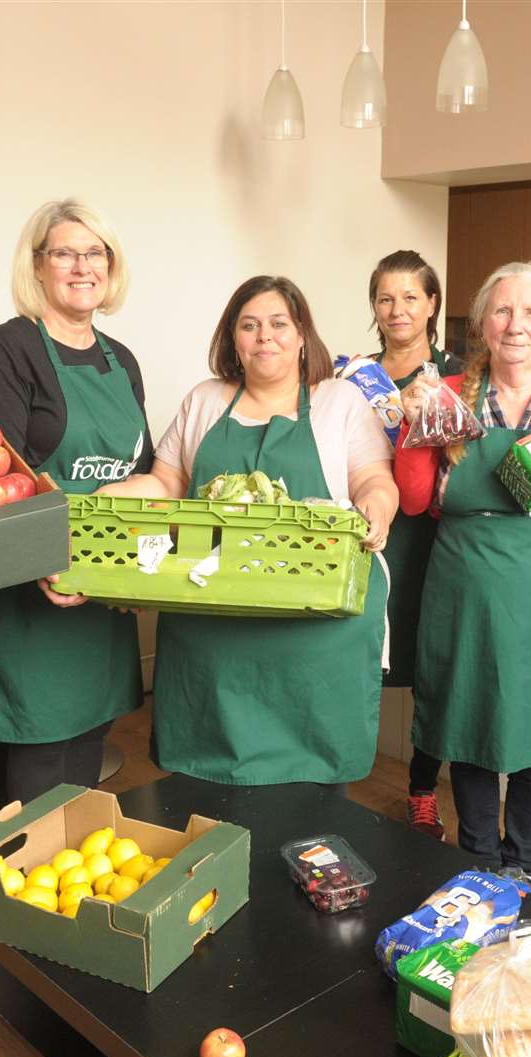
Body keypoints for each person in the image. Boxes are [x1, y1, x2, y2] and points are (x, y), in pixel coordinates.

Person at [103, 276, 397, 785]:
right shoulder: (205, 401)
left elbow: (373, 476)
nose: (265, 336)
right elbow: (167, 481)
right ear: (233, 339)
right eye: (250, 325)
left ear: (303, 334)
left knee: (313, 793)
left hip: (316, 629)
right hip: (214, 632)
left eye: (279, 324)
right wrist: (115, 496)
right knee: (203, 794)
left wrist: (377, 503)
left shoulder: (339, 401)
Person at [394, 261, 531, 876]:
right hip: (466, 579)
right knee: (470, 726)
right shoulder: (447, 394)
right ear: (483, 323)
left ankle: (521, 869)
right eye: (502, 310)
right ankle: (479, 861)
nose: (516, 325)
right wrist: (413, 424)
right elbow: (412, 499)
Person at [0, 200, 150, 803]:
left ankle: (69, 894)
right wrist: (52, 561)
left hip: (100, 593)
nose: (81, 266)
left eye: (94, 252)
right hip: (34, 594)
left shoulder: (122, 360)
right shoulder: (10, 348)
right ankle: (16, 896)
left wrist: (124, 574)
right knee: (36, 773)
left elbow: (142, 478)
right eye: (64, 253)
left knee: (88, 762)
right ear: (38, 266)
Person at [366, 250, 462, 839]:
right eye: (385, 298)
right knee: (358, 656)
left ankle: (422, 792)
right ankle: (340, 770)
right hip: (372, 537)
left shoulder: (456, 377)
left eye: (410, 297)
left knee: (433, 668)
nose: (397, 309)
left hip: (434, 540)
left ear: (432, 304)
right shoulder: (352, 374)